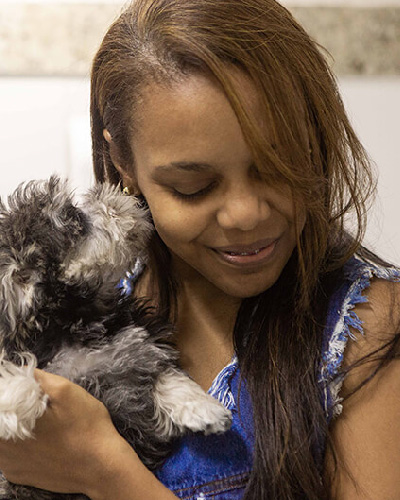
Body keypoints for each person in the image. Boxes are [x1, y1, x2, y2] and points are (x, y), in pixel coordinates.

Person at [0, 0, 399, 498]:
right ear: (123, 162)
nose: (245, 213)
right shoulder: (78, 306)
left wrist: (104, 472)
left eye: (278, 166)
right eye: (194, 187)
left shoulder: (368, 330)